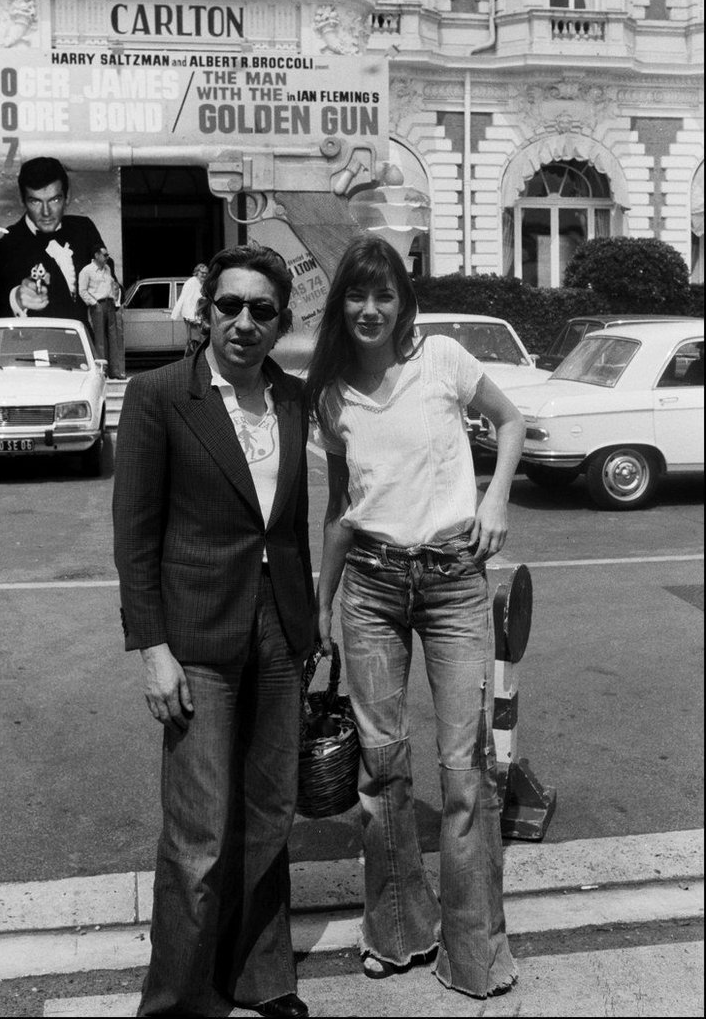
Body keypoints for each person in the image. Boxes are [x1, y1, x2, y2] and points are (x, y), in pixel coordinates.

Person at [307, 235, 526, 1000]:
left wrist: (494, 499)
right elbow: (340, 509)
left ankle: (472, 952)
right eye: (357, 296)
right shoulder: (331, 394)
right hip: (367, 584)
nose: (370, 309)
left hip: (452, 581)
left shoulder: (440, 362)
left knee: (465, 771)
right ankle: (396, 929)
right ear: (342, 305)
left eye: (384, 295)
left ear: (403, 302)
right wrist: (320, 604)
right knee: (382, 768)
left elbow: (509, 421)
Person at [113, 245, 316, 1019]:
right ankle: (178, 1001)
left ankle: (263, 977)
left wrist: (306, 624)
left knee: (269, 816)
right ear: (205, 312)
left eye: (260, 310)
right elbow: (135, 536)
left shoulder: (292, 401)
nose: (241, 322)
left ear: (280, 322)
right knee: (197, 837)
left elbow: (288, 526)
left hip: (279, 632)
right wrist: (153, 650)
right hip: (196, 637)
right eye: (228, 305)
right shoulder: (160, 395)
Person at [0, 157, 105, 327]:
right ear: (22, 200)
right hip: (26, 350)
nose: (46, 212)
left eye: (54, 200)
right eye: (35, 201)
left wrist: (109, 285)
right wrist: (17, 298)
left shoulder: (84, 229)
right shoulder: (2, 243)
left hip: (79, 349)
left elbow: (108, 277)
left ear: (67, 197)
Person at [78, 245, 126, 378]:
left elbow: (111, 286)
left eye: (107, 255)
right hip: (97, 305)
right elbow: (82, 290)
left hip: (109, 304)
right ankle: (102, 371)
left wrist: (115, 301)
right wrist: (94, 303)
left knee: (113, 337)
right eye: (105, 255)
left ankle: (115, 371)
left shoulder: (107, 268)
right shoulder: (87, 271)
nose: (107, 258)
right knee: (100, 339)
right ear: (96, 255)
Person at [171, 262, 208, 354]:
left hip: (200, 316)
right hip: (192, 317)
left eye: (206, 273)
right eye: (202, 272)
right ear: (197, 272)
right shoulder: (191, 283)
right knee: (194, 340)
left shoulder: (203, 283)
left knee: (199, 340)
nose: (204, 275)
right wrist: (192, 318)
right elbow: (185, 300)